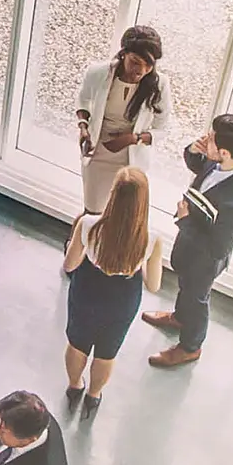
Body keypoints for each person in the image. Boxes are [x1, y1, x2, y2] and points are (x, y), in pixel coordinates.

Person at [143, 113, 233, 368]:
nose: (207, 139)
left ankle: (190, 347)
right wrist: (194, 152)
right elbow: (201, 168)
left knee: (196, 298)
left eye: (212, 140)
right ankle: (179, 317)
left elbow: (219, 248)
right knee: (185, 286)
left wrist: (185, 221)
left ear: (225, 153)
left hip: (205, 259)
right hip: (192, 244)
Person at [62, 165, 166, 410]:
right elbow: (154, 285)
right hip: (123, 298)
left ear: (113, 194)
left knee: (78, 342)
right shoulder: (151, 239)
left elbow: (69, 265)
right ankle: (94, 394)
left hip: (87, 288)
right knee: (107, 351)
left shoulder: (88, 224)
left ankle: (75, 385)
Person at [75, 25, 172, 214]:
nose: (141, 70)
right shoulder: (98, 73)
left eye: (148, 65)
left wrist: (132, 139)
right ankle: (76, 243)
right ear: (123, 54)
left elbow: (163, 128)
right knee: (92, 210)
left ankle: (104, 245)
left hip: (131, 158)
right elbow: (83, 99)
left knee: (118, 216)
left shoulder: (159, 84)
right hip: (98, 151)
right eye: (135, 62)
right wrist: (83, 127)